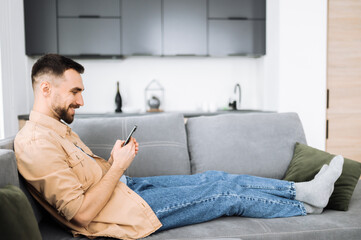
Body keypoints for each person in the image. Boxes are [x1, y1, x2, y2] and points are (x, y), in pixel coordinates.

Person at [14, 54, 344, 240]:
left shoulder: (55, 129)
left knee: (219, 177)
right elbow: (82, 213)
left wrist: (115, 162)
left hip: (127, 189)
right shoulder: (34, 142)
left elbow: (84, 180)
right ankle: (305, 206)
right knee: (223, 195)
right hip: (124, 212)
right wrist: (117, 165)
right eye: (75, 91)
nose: (81, 100)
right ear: (46, 89)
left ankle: (301, 192)